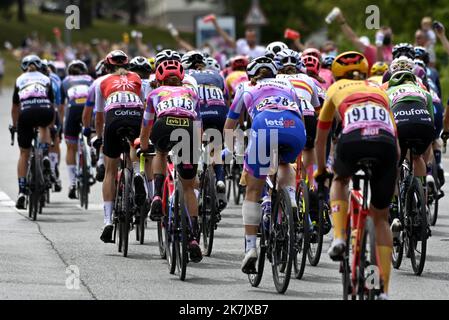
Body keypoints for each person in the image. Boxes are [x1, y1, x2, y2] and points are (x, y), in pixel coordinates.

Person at [314, 51, 398, 299]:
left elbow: (321, 138)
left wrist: (321, 171)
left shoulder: (335, 87)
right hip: (385, 144)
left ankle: (340, 237)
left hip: (353, 140)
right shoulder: (378, 89)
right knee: (381, 217)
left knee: (340, 181)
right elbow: (396, 137)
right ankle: (382, 289)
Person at [224, 56, 307, 273]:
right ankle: (289, 197)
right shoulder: (287, 84)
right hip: (294, 127)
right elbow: (302, 113)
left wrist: (229, 148)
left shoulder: (245, 87)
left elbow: (230, 125)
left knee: (253, 190)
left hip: (264, 126)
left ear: (251, 76)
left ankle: (251, 247)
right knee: (285, 163)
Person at [139, 59, 203, 263]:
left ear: (159, 79)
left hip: (163, 125)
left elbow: (147, 124)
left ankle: (157, 195)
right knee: (188, 186)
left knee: (160, 153)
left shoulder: (154, 94)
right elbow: (199, 125)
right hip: (188, 130)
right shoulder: (191, 93)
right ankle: (193, 238)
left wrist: (143, 144)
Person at [94, 50, 146, 243]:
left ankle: (108, 220)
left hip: (113, 117)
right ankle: (139, 174)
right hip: (135, 115)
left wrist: (99, 137)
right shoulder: (136, 77)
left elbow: (99, 117)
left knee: (109, 171)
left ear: (108, 66)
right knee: (134, 144)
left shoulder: (103, 81)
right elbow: (145, 103)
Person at [386, 59, 434, 243]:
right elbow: (431, 120)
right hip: (424, 125)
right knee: (417, 157)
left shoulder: (387, 91)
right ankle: (422, 198)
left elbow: (385, 121)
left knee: (394, 163)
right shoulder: (423, 91)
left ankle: (394, 210)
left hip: (401, 126)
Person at [181, 51, 228, 211]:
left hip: (199, 113)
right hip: (219, 112)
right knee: (217, 146)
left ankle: (198, 185)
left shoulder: (185, 75)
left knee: (194, 149)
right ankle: (220, 179)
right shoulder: (217, 75)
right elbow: (226, 97)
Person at [12, 55, 55, 209]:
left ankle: (22, 191)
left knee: (24, 153)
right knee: (44, 126)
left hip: (26, 113)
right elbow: (51, 103)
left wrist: (15, 126)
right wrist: (51, 125)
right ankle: (44, 155)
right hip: (45, 110)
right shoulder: (46, 78)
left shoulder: (19, 79)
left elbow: (15, 108)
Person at [275, 49, 320, 189]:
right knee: (309, 148)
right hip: (309, 114)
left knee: (279, 154)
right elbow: (317, 107)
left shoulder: (275, 79)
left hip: (286, 117)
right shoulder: (308, 79)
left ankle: (272, 195)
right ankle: (312, 184)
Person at [61, 60, 94, 199]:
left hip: (73, 109)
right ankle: (93, 157)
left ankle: (73, 182)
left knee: (71, 147)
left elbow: (61, 105)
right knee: (93, 134)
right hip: (88, 109)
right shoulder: (90, 79)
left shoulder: (65, 81)